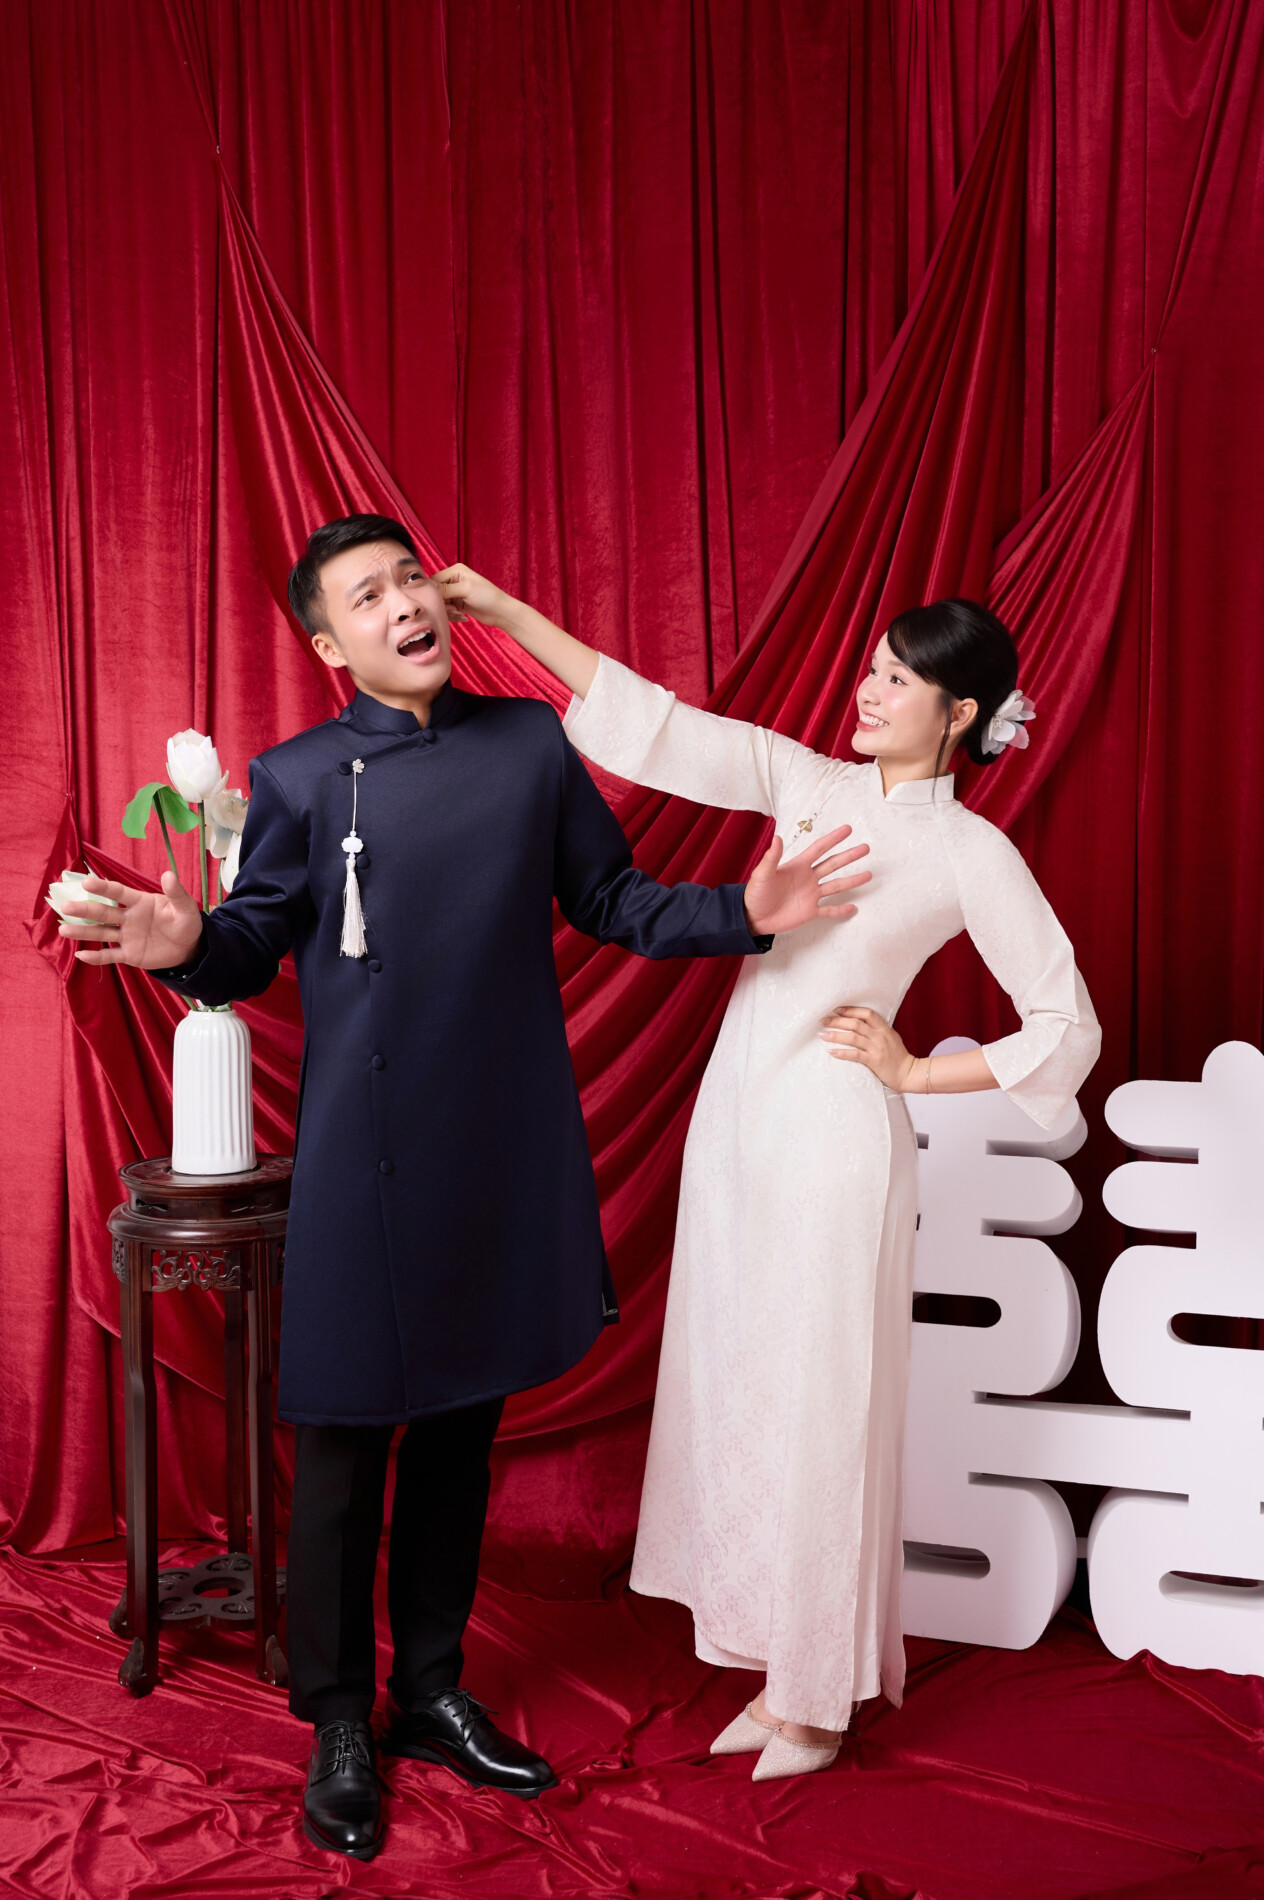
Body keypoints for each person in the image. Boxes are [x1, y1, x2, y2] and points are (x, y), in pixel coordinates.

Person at [57, 515, 871, 1861]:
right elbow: (249, 945)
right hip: (360, 1157)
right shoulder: (299, 778)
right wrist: (181, 937)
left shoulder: (527, 745)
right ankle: (338, 1720)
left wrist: (747, 910)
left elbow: (613, 900)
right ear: (329, 644)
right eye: (366, 597)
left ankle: (430, 1690)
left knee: (454, 1437)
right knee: (341, 1447)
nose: (403, 606)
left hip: (493, 1147)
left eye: (410, 581)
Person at [430, 565, 1102, 1782]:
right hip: (738, 1127)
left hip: (837, 1144)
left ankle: (816, 1700)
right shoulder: (809, 781)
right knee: (741, 1393)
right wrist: (512, 617)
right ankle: (775, 1669)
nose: (869, 689)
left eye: (898, 678)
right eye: (873, 667)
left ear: (958, 712)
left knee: (820, 1406)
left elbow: (1066, 1026)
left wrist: (912, 1070)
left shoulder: (969, 849)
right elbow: (664, 728)